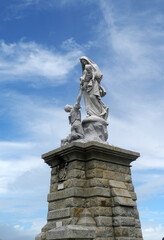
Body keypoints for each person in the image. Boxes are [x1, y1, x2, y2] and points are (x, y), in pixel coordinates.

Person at [80, 56, 108, 120]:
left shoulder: (94, 66)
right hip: (86, 86)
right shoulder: (85, 70)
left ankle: (102, 109)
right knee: (87, 100)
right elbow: (84, 78)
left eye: (84, 61)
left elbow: (99, 75)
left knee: (93, 97)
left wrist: (93, 74)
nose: (84, 63)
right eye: (82, 62)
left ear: (87, 60)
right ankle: (90, 113)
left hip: (93, 83)